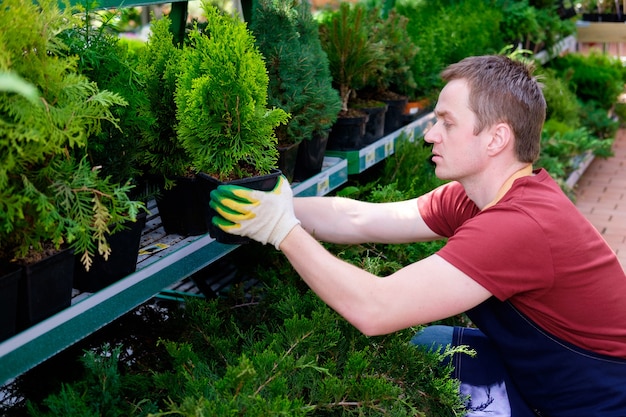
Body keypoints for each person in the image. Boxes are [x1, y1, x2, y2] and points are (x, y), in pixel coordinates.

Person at [209, 54, 626, 416]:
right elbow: (358, 219)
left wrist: (282, 230)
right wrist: (278, 204)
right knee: (427, 345)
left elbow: (376, 310)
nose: (430, 134)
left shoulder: (518, 227)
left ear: (497, 138)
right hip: (545, 375)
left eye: (447, 123)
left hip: (593, 405)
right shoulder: (476, 198)